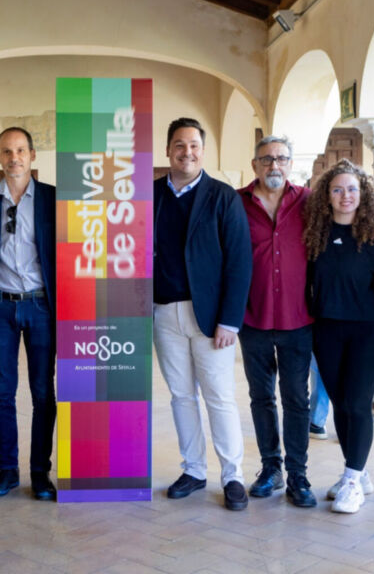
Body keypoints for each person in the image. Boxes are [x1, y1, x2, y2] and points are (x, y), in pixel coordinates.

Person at [153, 117, 252, 511]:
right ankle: (194, 469)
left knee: (220, 397)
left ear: (203, 151)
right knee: (181, 396)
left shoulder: (223, 196)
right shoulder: (150, 194)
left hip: (210, 318)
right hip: (164, 314)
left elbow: (239, 262)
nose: (187, 152)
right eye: (179, 145)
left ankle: (233, 475)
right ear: (168, 150)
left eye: (194, 145)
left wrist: (229, 320)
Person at [304, 159, 374, 514]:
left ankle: (353, 481)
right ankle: (357, 471)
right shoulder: (315, 235)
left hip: (367, 331)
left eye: (353, 189)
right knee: (340, 405)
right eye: (338, 189)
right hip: (326, 329)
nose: (346, 196)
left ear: (364, 194)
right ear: (327, 195)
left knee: (358, 405)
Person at [0, 127, 57, 501]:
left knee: (42, 392)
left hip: (42, 306)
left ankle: (40, 473)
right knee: (3, 392)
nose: (14, 158)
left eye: (21, 150)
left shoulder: (54, 198)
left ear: (32, 155)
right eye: (7, 151)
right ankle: (7, 470)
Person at [237, 135, 316, 508]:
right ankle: (271, 467)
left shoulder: (310, 202)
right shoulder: (237, 202)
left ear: (291, 163)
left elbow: (353, 216)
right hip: (252, 317)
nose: (274, 165)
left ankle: (298, 474)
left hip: (298, 318)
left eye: (282, 158)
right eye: (266, 159)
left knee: (296, 399)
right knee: (261, 396)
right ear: (255, 165)